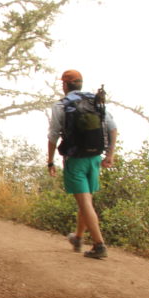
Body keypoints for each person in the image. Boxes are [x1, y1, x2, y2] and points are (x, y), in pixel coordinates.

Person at [47, 69, 117, 259]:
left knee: (85, 202)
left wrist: (50, 161)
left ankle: (99, 245)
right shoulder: (95, 101)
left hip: (75, 160)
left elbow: (53, 135)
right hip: (94, 157)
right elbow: (112, 128)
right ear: (81, 84)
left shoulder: (61, 105)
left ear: (65, 85)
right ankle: (78, 237)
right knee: (86, 202)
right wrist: (109, 155)